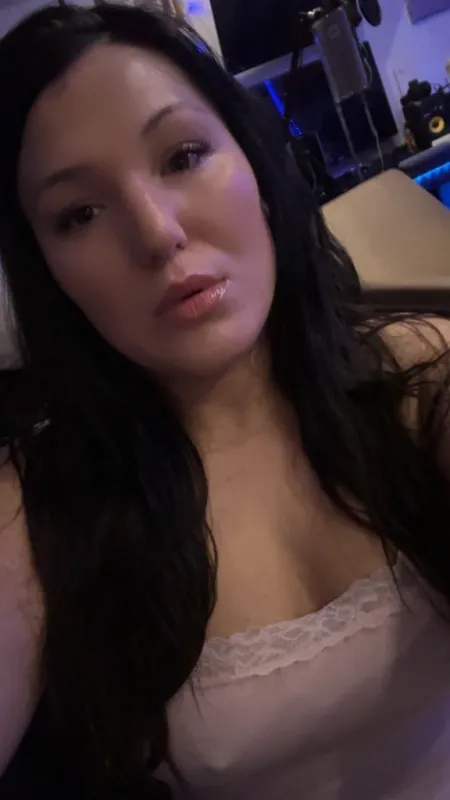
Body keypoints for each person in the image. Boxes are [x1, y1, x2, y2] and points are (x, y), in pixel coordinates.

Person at [0, 3, 450, 799]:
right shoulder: (38, 510)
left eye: (183, 155)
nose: (156, 232)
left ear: (256, 166)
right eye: (79, 213)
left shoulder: (418, 375)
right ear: (49, 274)